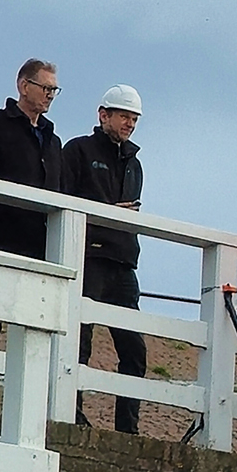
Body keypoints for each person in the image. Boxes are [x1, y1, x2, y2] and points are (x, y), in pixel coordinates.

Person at [0, 59, 64, 409]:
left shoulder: (52, 138)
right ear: (24, 85)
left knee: (34, 330)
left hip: (41, 244)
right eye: (45, 87)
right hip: (1, 236)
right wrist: (1, 209)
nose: (50, 95)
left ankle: (30, 406)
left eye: (54, 89)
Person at [62, 84, 147, 433]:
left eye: (134, 118)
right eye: (124, 115)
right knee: (79, 342)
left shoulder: (135, 164)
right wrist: (105, 214)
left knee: (134, 350)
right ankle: (71, 414)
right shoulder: (78, 150)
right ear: (103, 114)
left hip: (124, 262)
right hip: (88, 256)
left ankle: (128, 427)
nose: (129, 123)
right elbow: (64, 199)